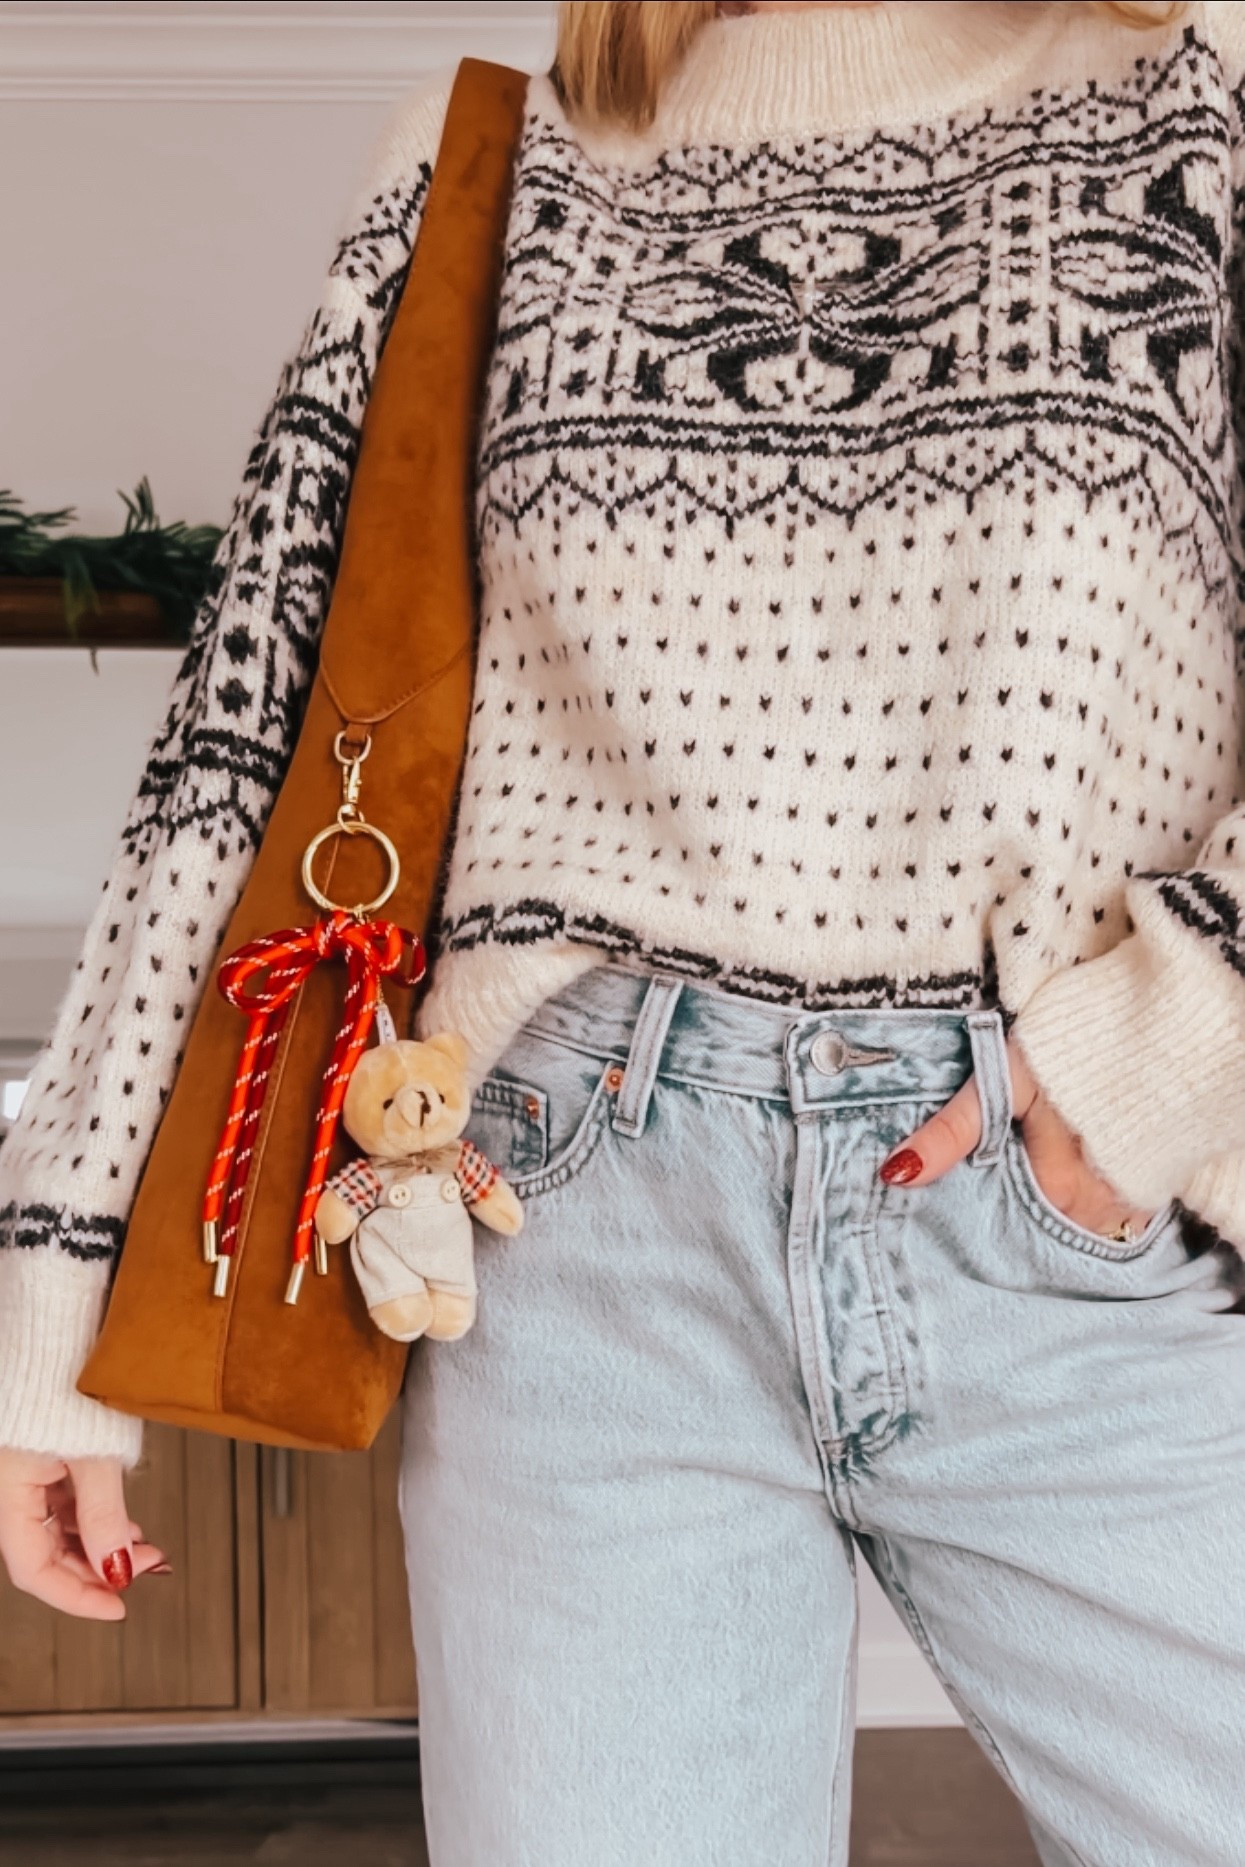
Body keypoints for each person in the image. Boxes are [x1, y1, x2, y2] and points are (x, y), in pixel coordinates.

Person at [2, 0, 1244, 1858]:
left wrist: (1148, 1059)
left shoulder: (1204, 92)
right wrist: (52, 1322)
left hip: (1068, 1212)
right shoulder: (494, 158)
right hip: (575, 1222)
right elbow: (246, 739)